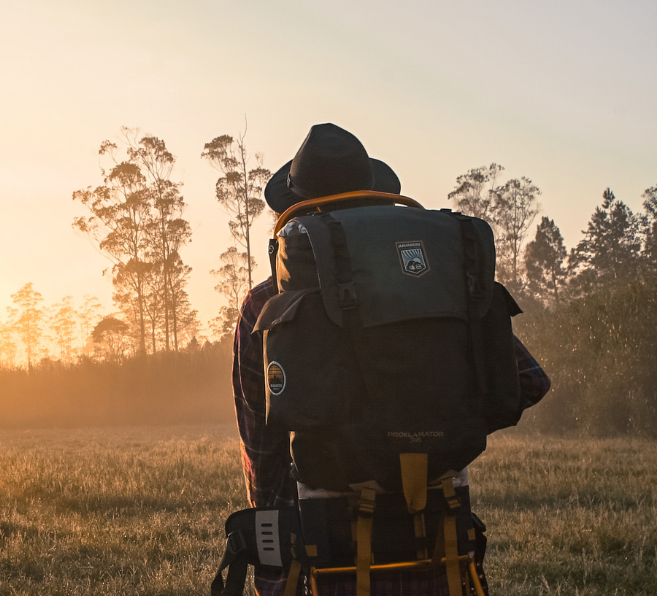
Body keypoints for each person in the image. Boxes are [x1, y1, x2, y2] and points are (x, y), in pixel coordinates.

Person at [232, 123, 551, 595]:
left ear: (293, 210)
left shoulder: (266, 305)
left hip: (330, 548)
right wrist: (438, 424)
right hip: (440, 538)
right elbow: (529, 381)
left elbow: (263, 448)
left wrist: (275, 563)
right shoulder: (439, 282)